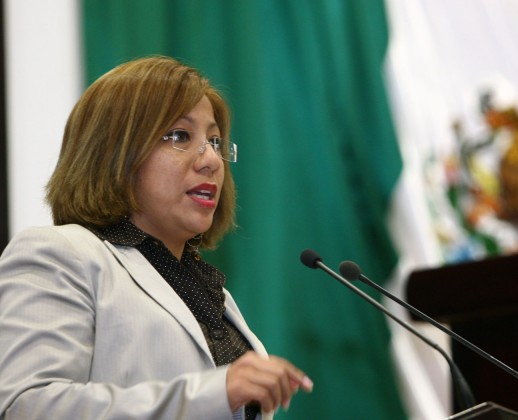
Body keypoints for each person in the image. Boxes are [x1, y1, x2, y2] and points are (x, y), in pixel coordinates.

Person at [0, 56, 313, 419]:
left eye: (214, 140)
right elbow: (27, 407)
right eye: (180, 136)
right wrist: (216, 391)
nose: (211, 159)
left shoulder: (209, 292)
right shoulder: (61, 255)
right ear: (113, 152)